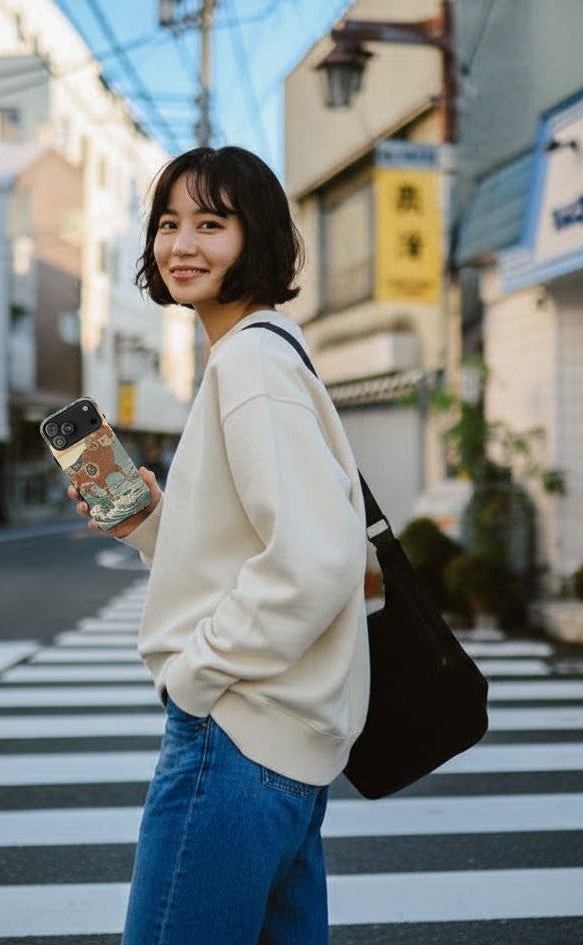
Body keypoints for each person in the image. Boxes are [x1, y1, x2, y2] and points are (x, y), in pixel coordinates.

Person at [68, 145, 369, 945]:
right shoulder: (264, 352)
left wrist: (196, 674)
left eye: (210, 224)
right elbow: (255, 548)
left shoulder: (250, 365)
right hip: (278, 748)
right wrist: (149, 525)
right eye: (168, 223)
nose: (180, 244)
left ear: (256, 237)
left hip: (234, 739)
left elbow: (316, 556)